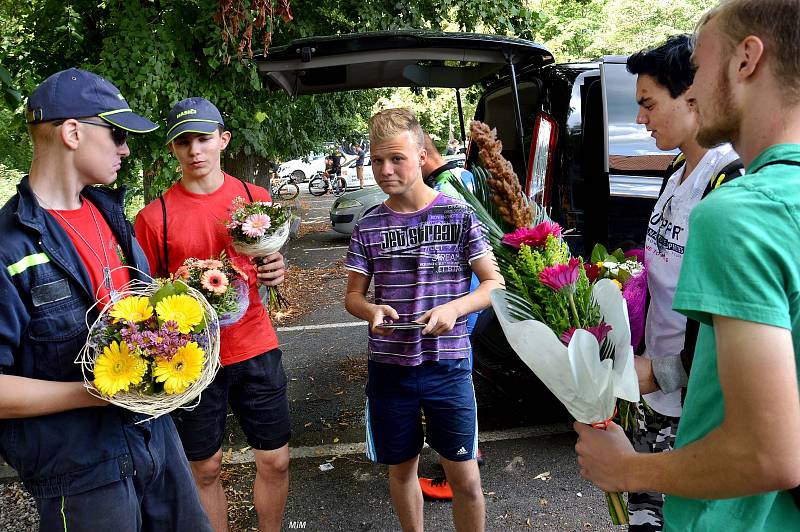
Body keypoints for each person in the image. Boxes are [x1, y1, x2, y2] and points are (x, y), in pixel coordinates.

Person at [574, 1, 800, 530]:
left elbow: (769, 455)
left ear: (747, 60)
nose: (691, 90)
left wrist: (628, 468)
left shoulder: (739, 212)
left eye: (697, 66)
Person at [0, 68, 211, 530]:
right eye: (116, 133)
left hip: (158, 444)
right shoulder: (8, 247)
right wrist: (95, 394)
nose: (125, 148)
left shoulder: (112, 217)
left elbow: (144, 316)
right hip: (81, 474)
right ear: (73, 132)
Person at [134, 97, 290, 532]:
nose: (195, 150)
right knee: (204, 469)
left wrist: (277, 269)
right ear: (172, 150)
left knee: (275, 460)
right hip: (194, 358)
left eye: (203, 138)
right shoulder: (154, 217)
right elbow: (148, 294)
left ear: (223, 139)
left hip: (255, 344)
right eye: (183, 142)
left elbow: (270, 263)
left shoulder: (253, 199)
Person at [344, 108, 503, 532]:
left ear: (421, 154)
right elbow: (353, 297)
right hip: (390, 370)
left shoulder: (458, 214)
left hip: (448, 367)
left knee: (465, 478)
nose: (385, 169)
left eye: (396, 158)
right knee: (401, 472)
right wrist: (372, 311)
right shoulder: (369, 225)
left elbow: (493, 285)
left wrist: (454, 309)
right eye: (377, 160)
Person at [624, 34, 742, 531]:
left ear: (690, 95)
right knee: (646, 518)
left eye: (648, 104)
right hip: (654, 394)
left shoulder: (728, 183)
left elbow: (731, 320)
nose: (639, 119)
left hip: (693, 400)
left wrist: (666, 372)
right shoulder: (676, 172)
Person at [417, 133, 484, 501]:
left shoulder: (448, 188)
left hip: (458, 303)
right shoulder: (465, 176)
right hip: (465, 299)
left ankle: (464, 457)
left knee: (458, 377)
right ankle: (460, 455)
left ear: (422, 155)